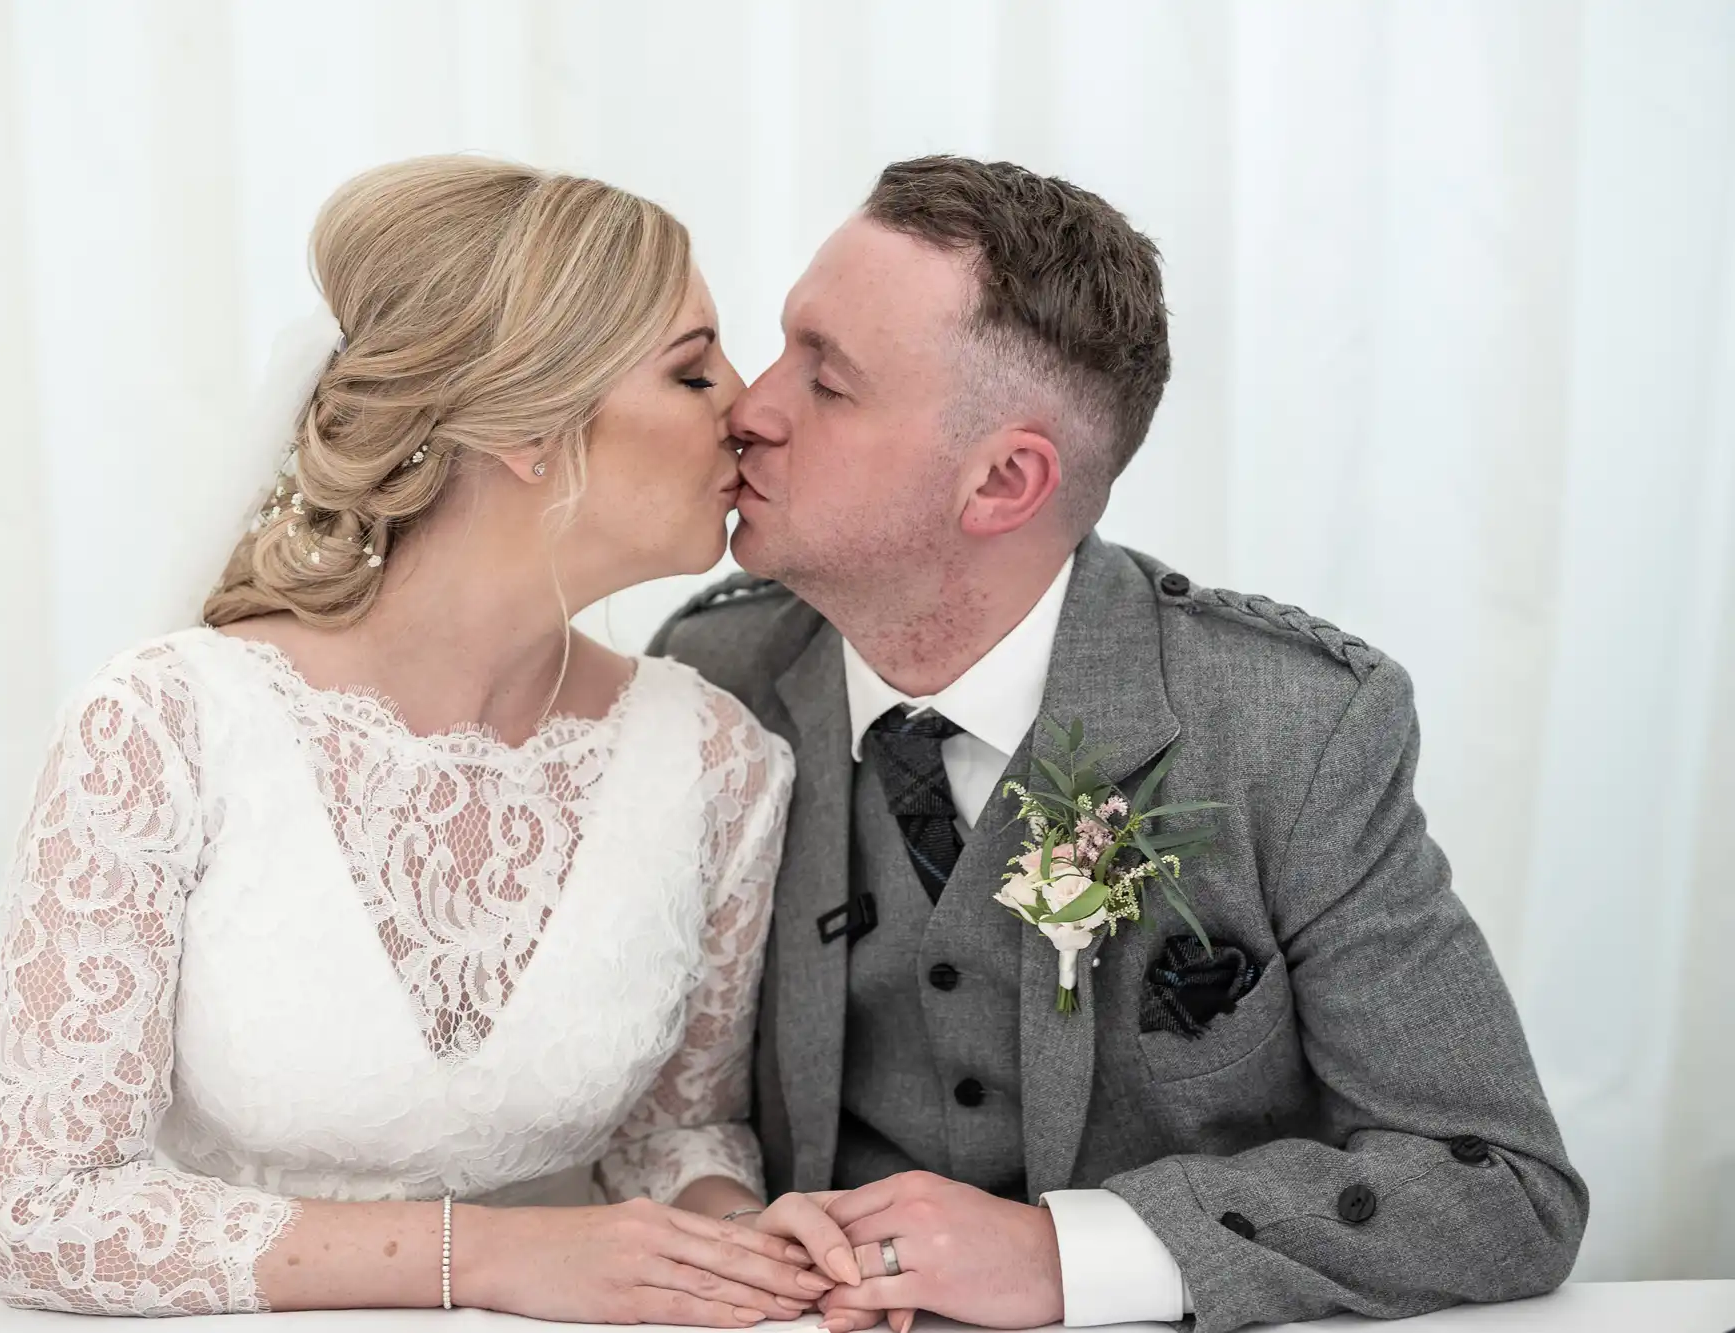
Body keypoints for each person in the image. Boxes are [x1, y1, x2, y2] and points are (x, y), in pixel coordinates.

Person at [653, 155, 1589, 1333]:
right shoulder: (707, 678)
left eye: (824, 382)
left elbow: (1498, 1184)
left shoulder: (1291, 728)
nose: (749, 406)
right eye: (780, 342)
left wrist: (1073, 1257)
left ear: (1002, 480)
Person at [0, 156, 861, 1319]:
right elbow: (47, 1207)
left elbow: (675, 1128)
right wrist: (489, 1256)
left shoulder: (718, 761)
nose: (746, 407)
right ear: (532, 429)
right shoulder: (165, 729)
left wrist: (729, 1236)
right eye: (692, 371)